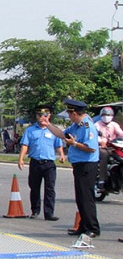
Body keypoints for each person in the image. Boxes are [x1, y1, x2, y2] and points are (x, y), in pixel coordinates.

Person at [44, 99, 100, 238]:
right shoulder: (76, 126)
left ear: (75, 113)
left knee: (86, 198)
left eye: (69, 114)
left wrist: (74, 143)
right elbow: (62, 134)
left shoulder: (87, 126)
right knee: (80, 197)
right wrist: (48, 124)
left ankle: (93, 228)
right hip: (78, 165)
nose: (68, 117)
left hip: (87, 165)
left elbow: (91, 148)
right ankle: (83, 226)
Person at [18, 105, 65, 221]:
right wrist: (21, 159)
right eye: (39, 115)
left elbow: (58, 145)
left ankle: (49, 213)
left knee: (50, 189)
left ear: (49, 116)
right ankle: (35, 210)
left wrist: (62, 155)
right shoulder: (30, 130)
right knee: (34, 188)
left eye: (44, 115)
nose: (42, 118)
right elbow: (25, 145)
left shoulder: (53, 130)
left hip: (49, 163)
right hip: (35, 162)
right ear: (36, 116)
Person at [95, 107, 123, 193]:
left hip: (113, 147)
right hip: (101, 148)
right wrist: (100, 141)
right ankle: (102, 180)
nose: (106, 116)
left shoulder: (114, 125)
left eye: (108, 115)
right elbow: (95, 135)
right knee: (104, 155)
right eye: (104, 115)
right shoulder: (97, 125)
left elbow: (120, 133)